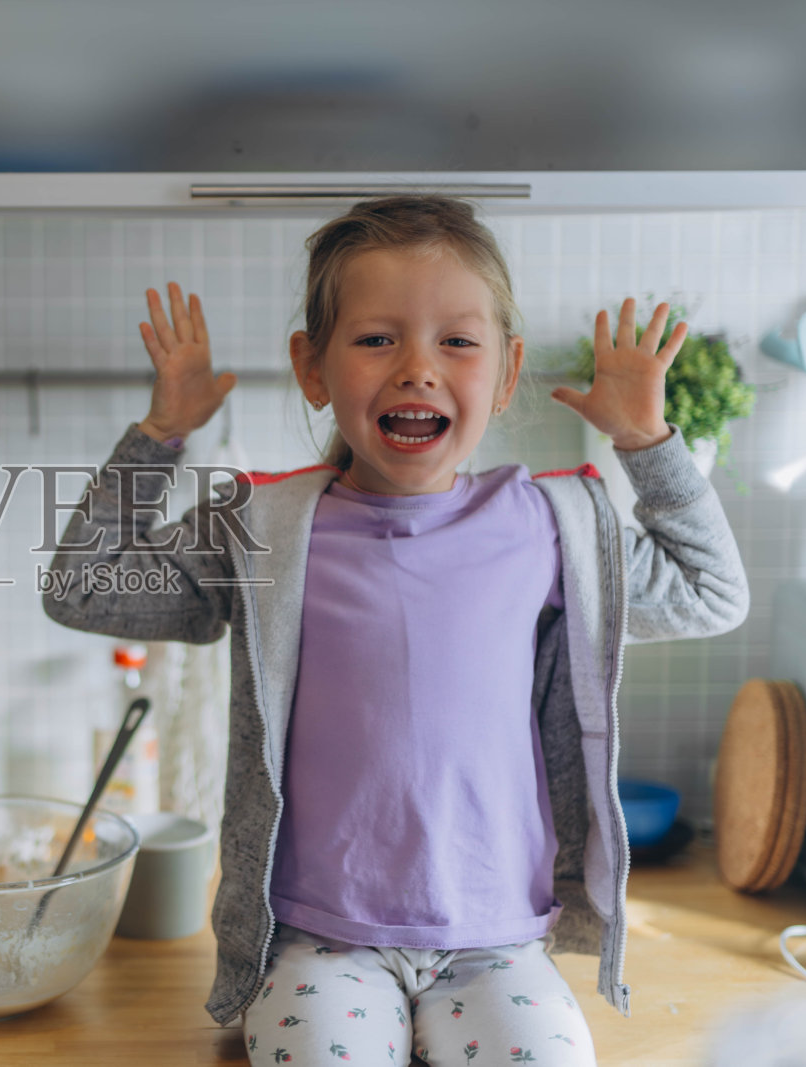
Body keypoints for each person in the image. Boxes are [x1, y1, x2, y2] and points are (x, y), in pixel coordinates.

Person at [41, 195, 748, 1067]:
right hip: (323, 940)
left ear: (507, 368)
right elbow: (83, 588)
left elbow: (711, 591)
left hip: (497, 940)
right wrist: (162, 433)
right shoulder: (263, 527)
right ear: (312, 367)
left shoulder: (547, 524)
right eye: (378, 338)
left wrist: (647, 441)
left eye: (457, 340)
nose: (418, 368)